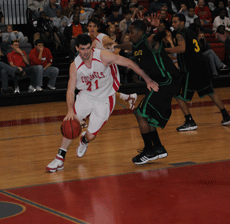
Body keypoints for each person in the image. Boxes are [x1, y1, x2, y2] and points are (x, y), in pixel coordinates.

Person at [46, 33, 157, 172]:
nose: (86, 52)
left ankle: (84, 140)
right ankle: (59, 158)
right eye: (82, 49)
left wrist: (147, 79)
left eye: (88, 48)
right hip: (86, 95)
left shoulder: (103, 56)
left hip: (105, 97)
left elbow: (129, 62)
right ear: (77, 48)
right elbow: (70, 90)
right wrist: (70, 110)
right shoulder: (74, 66)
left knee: (91, 135)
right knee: (70, 122)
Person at [114, 20, 181, 165]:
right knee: (147, 116)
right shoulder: (137, 45)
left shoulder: (150, 40)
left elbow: (159, 36)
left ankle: (149, 151)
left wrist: (159, 27)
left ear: (140, 32)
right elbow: (129, 46)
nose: (129, 34)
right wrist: (115, 46)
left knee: (140, 113)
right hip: (158, 82)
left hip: (167, 81)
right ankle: (158, 148)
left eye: (131, 31)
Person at [165, 14, 230, 131]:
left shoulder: (180, 34)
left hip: (191, 70)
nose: (173, 24)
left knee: (178, 94)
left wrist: (163, 50)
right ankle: (226, 115)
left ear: (182, 22)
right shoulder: (190, 32)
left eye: (175, 22)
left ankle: (189, 121)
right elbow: (193, 49)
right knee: (210, 92)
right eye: (172, 22)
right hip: (202, 67)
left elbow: (181, 49)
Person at [87, 17, 137, 109]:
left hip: (107, 67)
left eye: (94, 26)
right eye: (90, 26)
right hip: (96, 68)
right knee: (99, 90)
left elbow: (117, 47)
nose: (92, 28)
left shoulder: (103, 38)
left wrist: (111, 58)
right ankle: (128, 97)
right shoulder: (87, 38)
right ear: (87, 28)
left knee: (98, 90)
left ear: (97, 28)